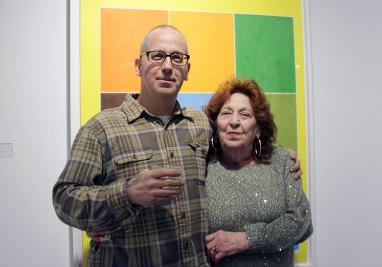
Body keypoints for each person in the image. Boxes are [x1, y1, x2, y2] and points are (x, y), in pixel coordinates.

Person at [52, 25, 302, 267]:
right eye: (157, 56)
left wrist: (280, 156)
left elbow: (239, 139)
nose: (168, 66)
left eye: (177, 57)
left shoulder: (200, 125)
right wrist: (126, 194)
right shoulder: (101, 128)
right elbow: (64, 200)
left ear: (187, 69)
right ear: (139, 66)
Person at [203, 78, 313, 266]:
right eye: (226, 113)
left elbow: (302, 222)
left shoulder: (280, 160)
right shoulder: (202, 165)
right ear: (215, 124)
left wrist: (244, 240)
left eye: (245, 115)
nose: (234, 122)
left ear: (258, 129)